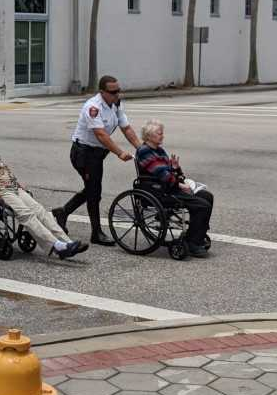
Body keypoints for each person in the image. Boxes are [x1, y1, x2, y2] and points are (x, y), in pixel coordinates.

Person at [0, 123, 86, 259]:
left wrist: (17, 183)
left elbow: (3, 171)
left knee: (40, 211)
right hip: (1, 192)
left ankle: (67, 242)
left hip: (14, 188)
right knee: (27, 215)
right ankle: (57, 246)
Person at [54, 75, 141, 246]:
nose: (117, 94)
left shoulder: (116, 103)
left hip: (97, 153)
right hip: (84, 153)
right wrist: (120, 153)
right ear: (102, 92)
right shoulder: (93, 107)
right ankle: (96, 232)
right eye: (113, 92)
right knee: (94, 192)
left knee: (92, 188)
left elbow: (126, 128)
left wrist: (142, 148)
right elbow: (100, 134)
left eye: (118, 90)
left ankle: (63, 212)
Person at [136, 119, 214, 258]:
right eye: (159, 133)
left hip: (167, 187)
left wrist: (176, 168)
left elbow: (168, 173)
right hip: (158, 191)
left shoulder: (159, 150)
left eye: (162, 133)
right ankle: (193, 242)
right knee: (202, 206)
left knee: (207, 196)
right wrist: (179, 184)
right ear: (149, 136)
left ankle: (197, 233)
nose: (162, 136)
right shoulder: (144, 151)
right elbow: (162, 174)